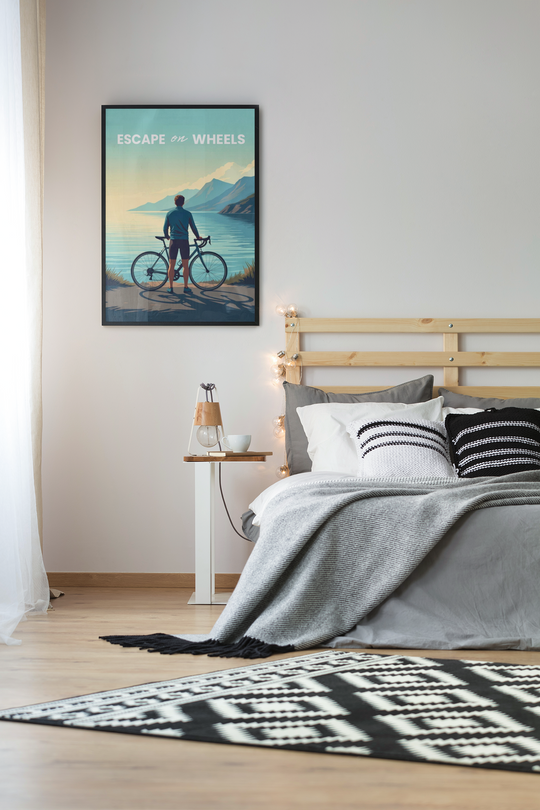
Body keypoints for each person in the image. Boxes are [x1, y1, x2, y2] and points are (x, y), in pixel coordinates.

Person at [163, 194, 202, 293]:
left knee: (171, 265)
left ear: (175, 202)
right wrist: (198, 236)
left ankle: (170, 287)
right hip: (184, 241)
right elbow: (193, 227)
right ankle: (185, 287)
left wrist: (167, 236)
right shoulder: (188, 214)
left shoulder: (169, 213)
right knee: (185, 265)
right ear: (183, 203)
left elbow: (165, 228)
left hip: (173, 241)